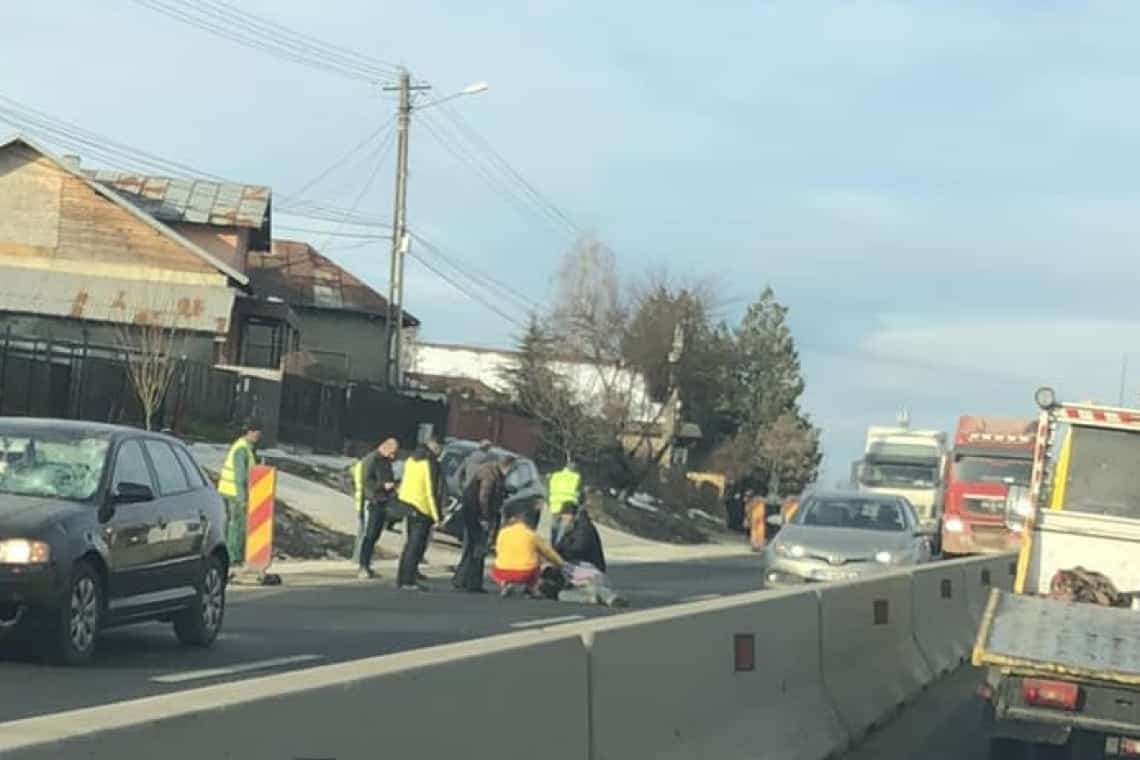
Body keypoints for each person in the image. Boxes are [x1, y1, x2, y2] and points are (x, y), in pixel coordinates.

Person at [452, 455, 513, 593]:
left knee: (472, 548)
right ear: (506, 466)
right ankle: (472, 583)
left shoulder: (491, 471)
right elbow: (483, 496)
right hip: (476, 514)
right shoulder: (490, 474)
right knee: (478, 549)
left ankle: (461, 580)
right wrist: (484, 517)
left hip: (472, 512)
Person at [491, 499, 564, 598]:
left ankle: (505, 584)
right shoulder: (531, 535)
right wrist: (561, 563)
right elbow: (547, 552)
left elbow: (499, 550)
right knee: (536, 558)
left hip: (501, 571)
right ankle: (531, 587)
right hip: (525, 572)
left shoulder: (502, 533)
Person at [216, 419, 262, 569]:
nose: (258, 436)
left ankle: (230, 556)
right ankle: (233, 558)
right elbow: (239, 476)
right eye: (256, 432)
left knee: (232, 525)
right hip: (234, 493)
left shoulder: (245, 447)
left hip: (229, 491)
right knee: (237, 526)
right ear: (249, 432)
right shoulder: (241, 449)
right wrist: (242, 498)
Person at [394, 444, 440, 591]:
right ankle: (409, 580)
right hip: (422, 509)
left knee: (409, 546)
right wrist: (436, 515)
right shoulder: (427, 464)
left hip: (407, 505)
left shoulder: (410, 461)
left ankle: (402, 578)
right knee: (416, 546)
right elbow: (429, 491)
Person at [358, 438, 399, 580]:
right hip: (373, 501)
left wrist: (393, 489)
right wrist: (382, 486)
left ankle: (368, 564)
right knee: (369, 535)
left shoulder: (386, 462)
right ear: (385, 448)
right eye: (392, 453)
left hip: (384, 500)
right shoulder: (371, 460)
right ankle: (362, 565)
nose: (393, 457)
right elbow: (366, 482)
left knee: (375, 534)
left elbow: (389, 478)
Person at [554, 501, 606, 572]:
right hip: (582, 564)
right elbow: (561, 546)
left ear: (574, 515)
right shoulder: (572, 527)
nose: (563, 519)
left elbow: (578, 550)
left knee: (562, 570)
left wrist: (561, 556)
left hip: (591, 567)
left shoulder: (584, 528)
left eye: (566, 515)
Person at [546, 459, 583, 545]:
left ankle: (552, 545)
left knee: (554, 526)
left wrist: (548, 502)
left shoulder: (555, 476)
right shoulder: (576, 477)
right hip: (568, 504)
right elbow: (580, 492)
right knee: (564, 527)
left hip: (555, 504)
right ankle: (558, 546)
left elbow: (548, 490)